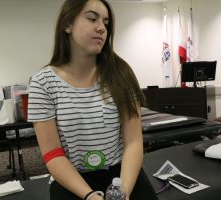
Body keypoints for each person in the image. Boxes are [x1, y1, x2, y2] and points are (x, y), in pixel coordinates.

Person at [27, 0, 158, 200]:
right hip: (73, 180)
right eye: (91, 18)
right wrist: (90, 196)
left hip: (121, 176)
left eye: (106, 23)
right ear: (67, 24)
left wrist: (122, 193)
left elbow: (133, 142)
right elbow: (53, 154)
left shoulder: (120, 74)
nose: (101, 28)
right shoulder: (43, 83)